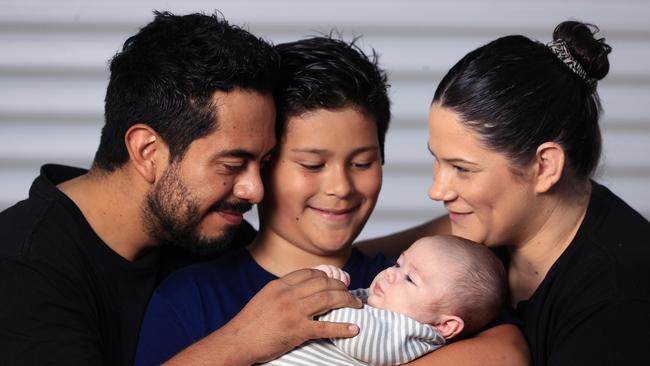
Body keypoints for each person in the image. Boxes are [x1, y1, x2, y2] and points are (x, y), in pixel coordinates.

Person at [135, 36, 529, 366]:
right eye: (312, 164)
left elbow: (509, 353)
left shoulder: (422, 284)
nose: (341, 187)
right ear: (263, 163)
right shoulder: (194, 296)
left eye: (362, 162)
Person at [0, 12, 362, 366]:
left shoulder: (197, 227)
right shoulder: (21, 265)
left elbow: (297, 257)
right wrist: (241, 342)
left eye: (263, 163)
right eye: (232, 166)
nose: (255, 190)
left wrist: (417, 248)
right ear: (148, 151)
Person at [359, 20, 650, 365]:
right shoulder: (486, 229)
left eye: (463, 169)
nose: (436, 190)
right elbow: (357, 258)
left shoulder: (616, 294)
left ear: (544, 167)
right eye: (436, 161)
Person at [264, 235, 507, 366]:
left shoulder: (415, 336)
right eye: (398, 264)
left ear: (444, 325)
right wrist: (323, 280)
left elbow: (354, 335)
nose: (391, 273)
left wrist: (323, 297)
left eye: (410, 279)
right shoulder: (375, 306)